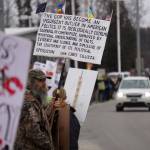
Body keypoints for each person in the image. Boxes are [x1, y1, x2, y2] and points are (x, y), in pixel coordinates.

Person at [14, 69, 54, 150]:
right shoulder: (27, 103)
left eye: (44, 80)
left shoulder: (35, 99)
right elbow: (33, 131)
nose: (44, 84)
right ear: (30, 82)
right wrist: (49, 146)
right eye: (40, 80)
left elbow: (41, 116)